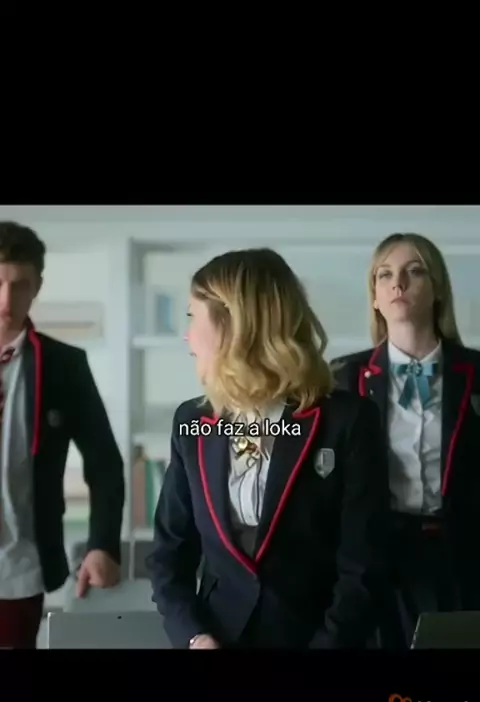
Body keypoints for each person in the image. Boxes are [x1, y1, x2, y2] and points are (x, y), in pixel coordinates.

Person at [146, 247, 389, 649]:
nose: (187, 336)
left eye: (192, 316)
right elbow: (168, 556)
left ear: (233, 324)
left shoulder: (348, 420)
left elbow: (363, 568)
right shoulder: (191, 423)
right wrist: (195, 637)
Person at [331, 232, 480, 649]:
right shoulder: (343, 377)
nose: (398, 283)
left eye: (414, 272)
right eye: (385, 275)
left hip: (461, 557)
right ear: (375, 297)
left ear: (437, 289)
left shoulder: (475, 372)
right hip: (375, 559)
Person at [0, 221, 125, 648]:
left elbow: (104, 463)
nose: (6, 300)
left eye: (19, 285)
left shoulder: (64, 366)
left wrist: (102, 545)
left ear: (37, 286)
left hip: (16, 571)